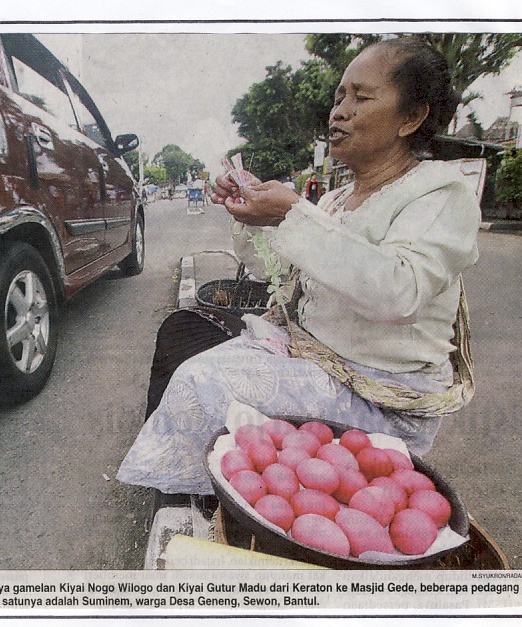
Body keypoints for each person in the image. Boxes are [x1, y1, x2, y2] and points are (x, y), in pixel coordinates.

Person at [117, 37, 480, 496]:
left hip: (378, 394)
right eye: (339, 97)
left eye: (361, 98)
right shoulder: (335, 197)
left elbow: (398, 292)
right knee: (183, 332)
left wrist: (292, 215)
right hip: (317, 360)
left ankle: (209, 500)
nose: (339, 112)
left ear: (412, 117)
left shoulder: (442, 196)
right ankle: (194, 490)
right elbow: (280, 275)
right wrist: (251, 216)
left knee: (202, 380)